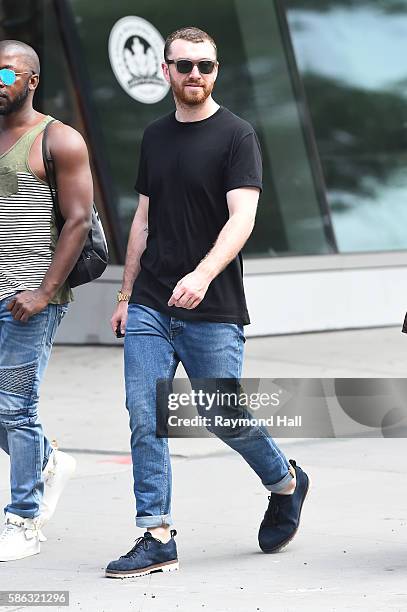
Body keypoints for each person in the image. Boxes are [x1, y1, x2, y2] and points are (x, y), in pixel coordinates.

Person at [107, 27, 309, 579]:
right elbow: (143, 221)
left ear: (215, 71)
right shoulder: (154, 136)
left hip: (212, 302)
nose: (196, 74)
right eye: (185, 65)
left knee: (221, 415)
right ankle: (156, 533)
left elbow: (242, 217)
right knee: (145, 415)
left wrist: (200, 274)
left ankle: (285, 480)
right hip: (152, 301)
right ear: (166, 71)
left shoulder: (237, 135)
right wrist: (127, 293)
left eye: (206, 66)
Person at [0, 40, 93, 561]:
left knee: (15, 407)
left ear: (31, 80)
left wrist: (42, 292)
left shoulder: (58, 139)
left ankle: (24, 519)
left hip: (28, 300)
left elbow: (79, 220)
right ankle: (48, 462)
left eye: (6, 71)